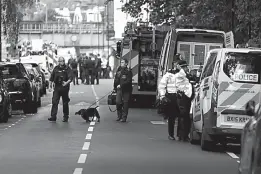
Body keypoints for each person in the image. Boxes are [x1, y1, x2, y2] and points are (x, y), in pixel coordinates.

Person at [158, 61, 181, 140]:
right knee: (172, 117)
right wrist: (163, 96)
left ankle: (181, 135)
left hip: (181, 97)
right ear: (174, 64)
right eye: (177, 63)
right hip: (171, 96)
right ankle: (171, 134)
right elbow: (162, 86)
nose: (178, 65)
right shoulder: (168, 74)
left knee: (182, 116)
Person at [48, 57, 73, 122]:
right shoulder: (56, 68)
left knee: (65, 102)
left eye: (62, 61)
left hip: (64, 87)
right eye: (59, 61)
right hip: (57, 87)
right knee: (54, 101)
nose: (61, 62)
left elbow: (70, 78)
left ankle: (65, 116)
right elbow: (51, 78)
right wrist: (50, 87)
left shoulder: (67, 68)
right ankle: (53, 116)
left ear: (64, 61)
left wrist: (66, 83)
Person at [174, 60, 194, 141]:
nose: (187, 68)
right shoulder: (180, 75)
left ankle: (182, 134)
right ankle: (183, 135)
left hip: (185, 97)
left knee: (184, 116)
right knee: (184, 116)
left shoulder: (184, 75)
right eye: (185, 67)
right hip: (182, 97)